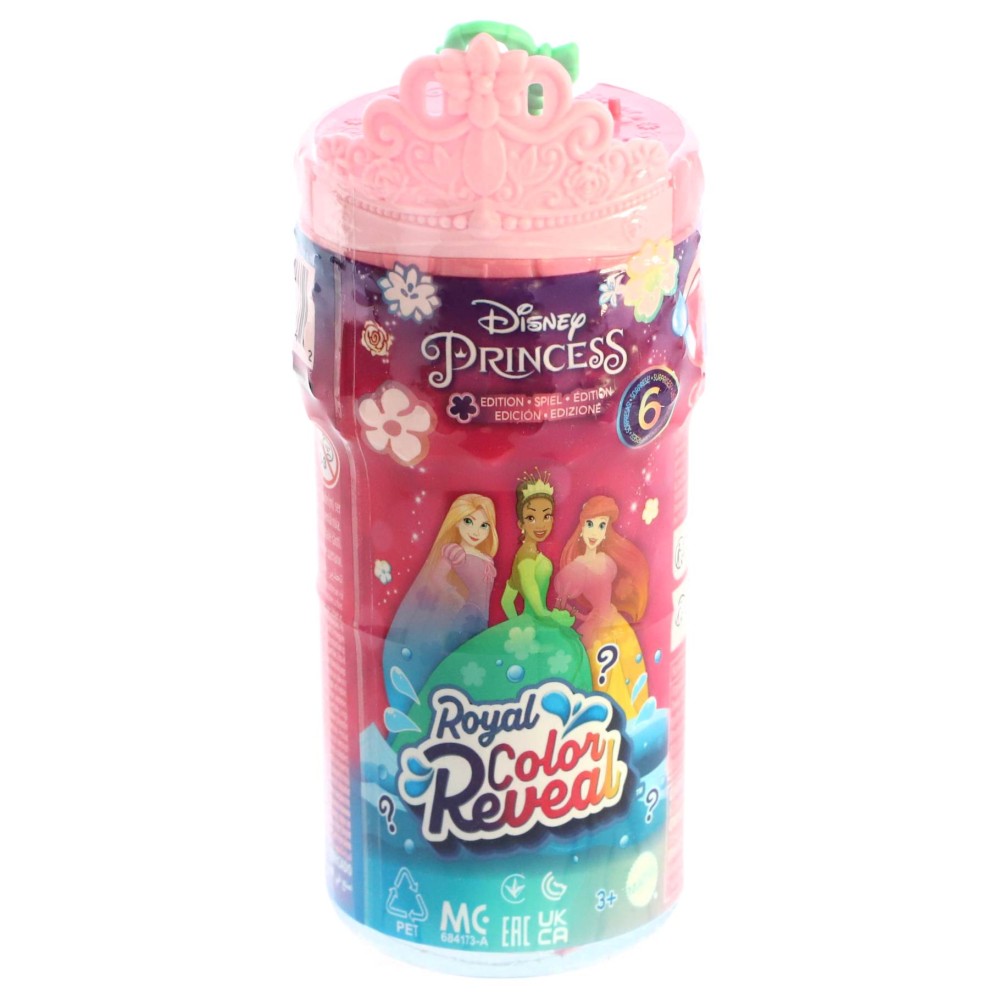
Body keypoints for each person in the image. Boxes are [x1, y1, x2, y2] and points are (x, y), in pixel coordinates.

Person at [393, 472, 591, 747]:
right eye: (532, 517)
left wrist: (518, 625)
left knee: (484, 680)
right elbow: (535, 606)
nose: (540, 523)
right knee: (471, 676)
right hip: (471, 619)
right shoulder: (501, 556)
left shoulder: (495, 558)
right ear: (521, 523)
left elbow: (508, 600)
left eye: (546, 516)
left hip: (492, 623)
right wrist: (545, 619)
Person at [382, 494, 498, 722]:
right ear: (456, 522)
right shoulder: (455, 552)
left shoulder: (486, 558)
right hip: (465, 615)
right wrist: (456, 599)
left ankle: (463, 709)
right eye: (468, 521)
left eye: (484, 525)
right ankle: (443, 707)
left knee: (473, 662)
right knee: (457, 660)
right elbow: (436, 578)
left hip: (480, 617)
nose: (476, 530)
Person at [555, 495, 650, 718]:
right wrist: (581, 616)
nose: (594, 532)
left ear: (607, 530)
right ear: (581, 526)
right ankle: (608, 719)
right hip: (597, 627)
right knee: (605, 673)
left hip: (614, 622)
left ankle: (634, 716)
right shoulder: (576, 568)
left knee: (629, 664)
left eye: (601, 526)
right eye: (590, 524)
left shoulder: (607, 561)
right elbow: (561, 604)